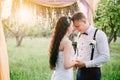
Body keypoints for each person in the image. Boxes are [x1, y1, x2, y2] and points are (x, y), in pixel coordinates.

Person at [71, 12, 110, 80]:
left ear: (84, 21)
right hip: (79, 72)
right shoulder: (79, 34)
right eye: (75, 27)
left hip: (93, 73)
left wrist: (86, 64)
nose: (76, 29)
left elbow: (105, 57)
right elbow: (78, 52)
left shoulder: (99, 34)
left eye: (77, 26)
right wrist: (74, 61)